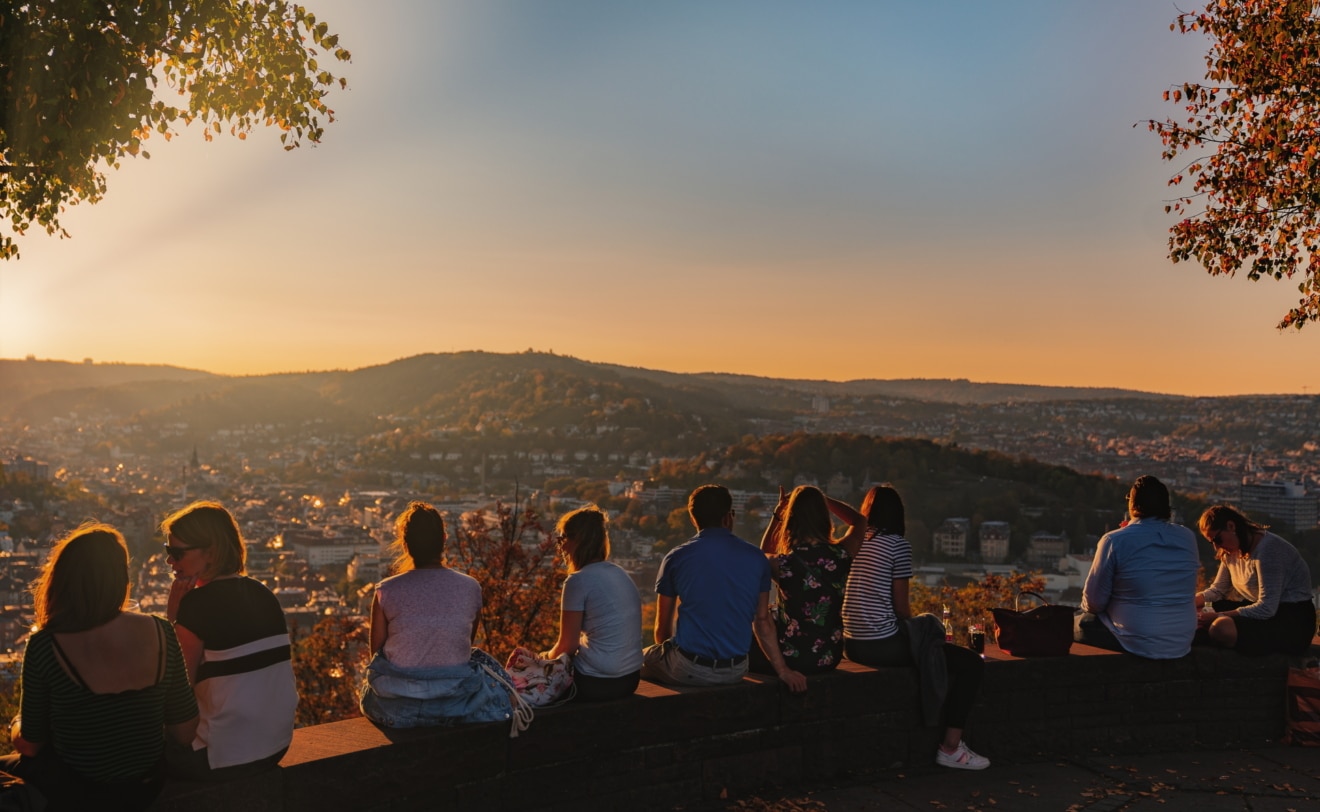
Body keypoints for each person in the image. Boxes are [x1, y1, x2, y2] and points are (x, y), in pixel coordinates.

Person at [1, 524, 198, 810]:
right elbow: (185, 731)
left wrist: (16, 725)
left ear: (62, 580)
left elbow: (30, 745)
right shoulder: (161, 632)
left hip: (78, 791)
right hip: (145, 787)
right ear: (120, 577)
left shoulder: (46, 645)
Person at [842, 485, 989, 770]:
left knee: (930, 640)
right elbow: (901, 608)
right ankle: (951, 747)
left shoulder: (856, 541)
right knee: (970, 664)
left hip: (851, 644)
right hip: (880, 644)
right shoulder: (897, 545)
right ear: (899, 514)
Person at [163, 501, 297, 781]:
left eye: (176, 553)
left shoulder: (196, 607)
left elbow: (177, 691)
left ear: (210, 553)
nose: (170, 562)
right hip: (276, 746)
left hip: (222, 756)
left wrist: (173, 618)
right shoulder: (263, 594)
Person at [360, 502, 521, 730]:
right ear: (444, 539)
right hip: (458, 702)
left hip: (397, 709)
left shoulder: (386, 591)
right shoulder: (470, 588)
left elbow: (377, 655)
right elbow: (464, 644)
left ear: (405, 545)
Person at [641, 484, 808, 693]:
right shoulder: (756, 558)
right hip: (736, 669)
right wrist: (783, 670)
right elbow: (762, 621)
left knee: (636, 662)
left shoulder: (676, 558)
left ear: (694, 519)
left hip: (689, 667)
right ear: (728, 517)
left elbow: (662, 629)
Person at [1075, 475, 1201, 658]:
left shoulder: (1114, 540)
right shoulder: (1187, 537)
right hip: (1181, 638)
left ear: (1132, 504)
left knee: (1076, 623)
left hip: (1136, 638)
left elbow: (1093, 603)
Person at [754, 485, 867, 675]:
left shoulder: (783, 564)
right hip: (829, 656)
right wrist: (823, 499)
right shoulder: (841, 554)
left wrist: (779, 513)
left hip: (791, 657)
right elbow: (859, 520)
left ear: (792, 520)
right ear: (824, 518)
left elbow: (763, 553)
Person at [545, 506, 644, 701]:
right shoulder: (620, 573)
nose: (560, 547)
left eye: (563, 538)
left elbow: (567, 645)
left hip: (597, 682)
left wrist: (544, 658)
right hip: (631, 678)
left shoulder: (578, 581)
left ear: (577, 541)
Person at [1196, 504, 1316, 656]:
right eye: (1211, 542)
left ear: (1231, 526)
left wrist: (1218, 616)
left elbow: (1266, 608)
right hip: (1260, 610)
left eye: (1217, 540)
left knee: (1221, 627)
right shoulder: (1230, 551)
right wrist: (1189, 604)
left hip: (1290, 619)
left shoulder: (1268, 550)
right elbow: (1218, 590)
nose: (1216, 546)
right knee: (1202, 609)